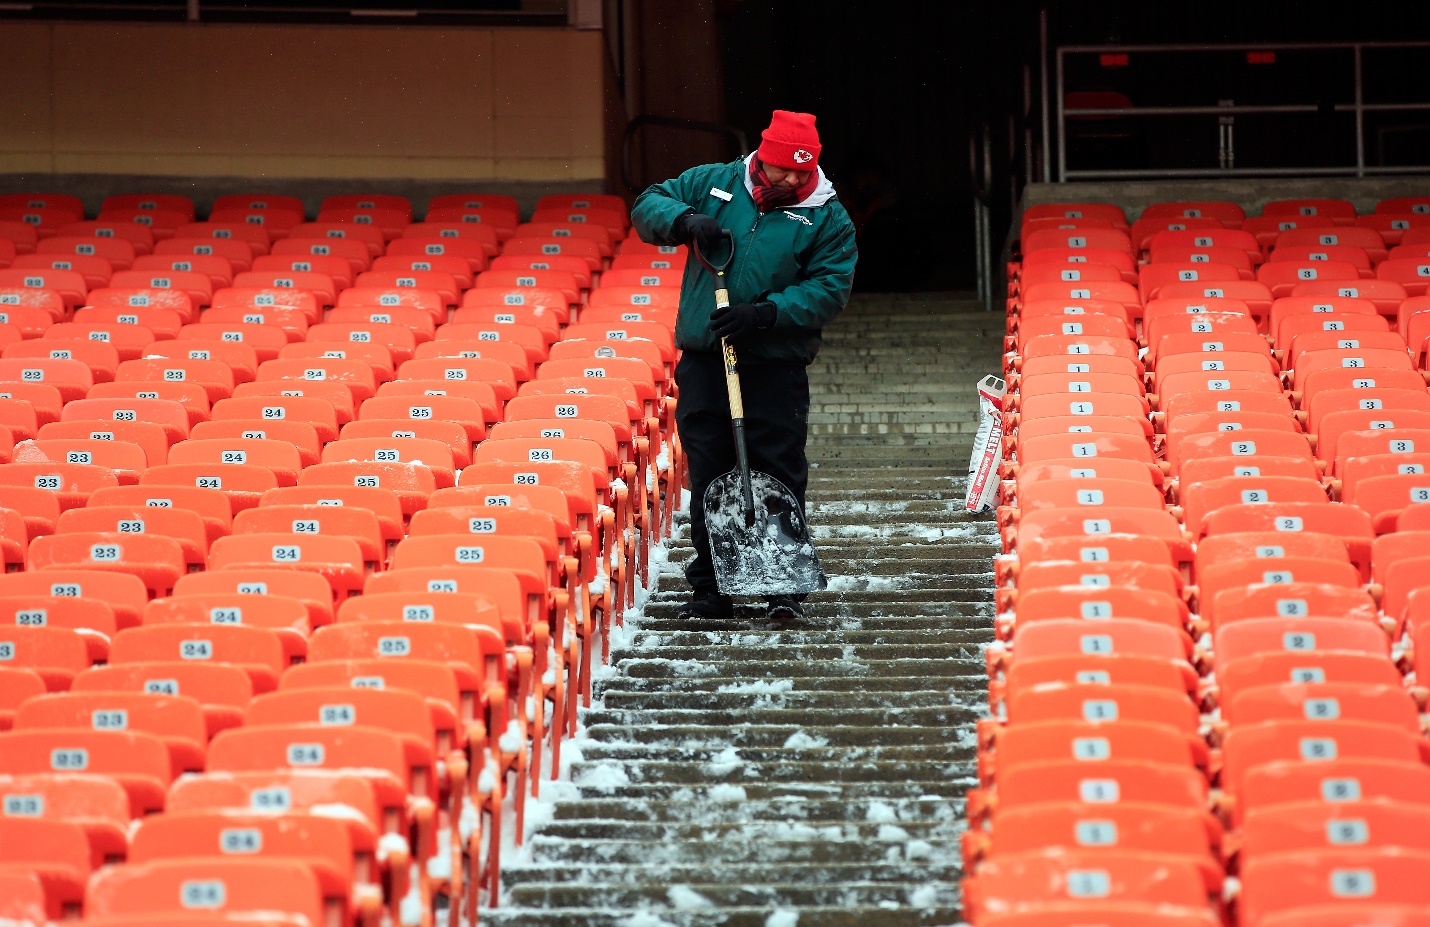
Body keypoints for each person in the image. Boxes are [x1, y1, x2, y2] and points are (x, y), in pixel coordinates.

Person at [631, 109, 858, 621]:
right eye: (784, 170)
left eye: (804, 172)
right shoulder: (712, 183)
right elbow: (649, 203)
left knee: (777, 470)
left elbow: (829, 288)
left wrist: (766, 313)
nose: (794, 180)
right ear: (765, 158)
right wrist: (684, 220)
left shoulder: (827, 216)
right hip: (708, 360)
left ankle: (782, 588)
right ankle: (713, 588)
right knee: (711, 472)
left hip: (774, 364)